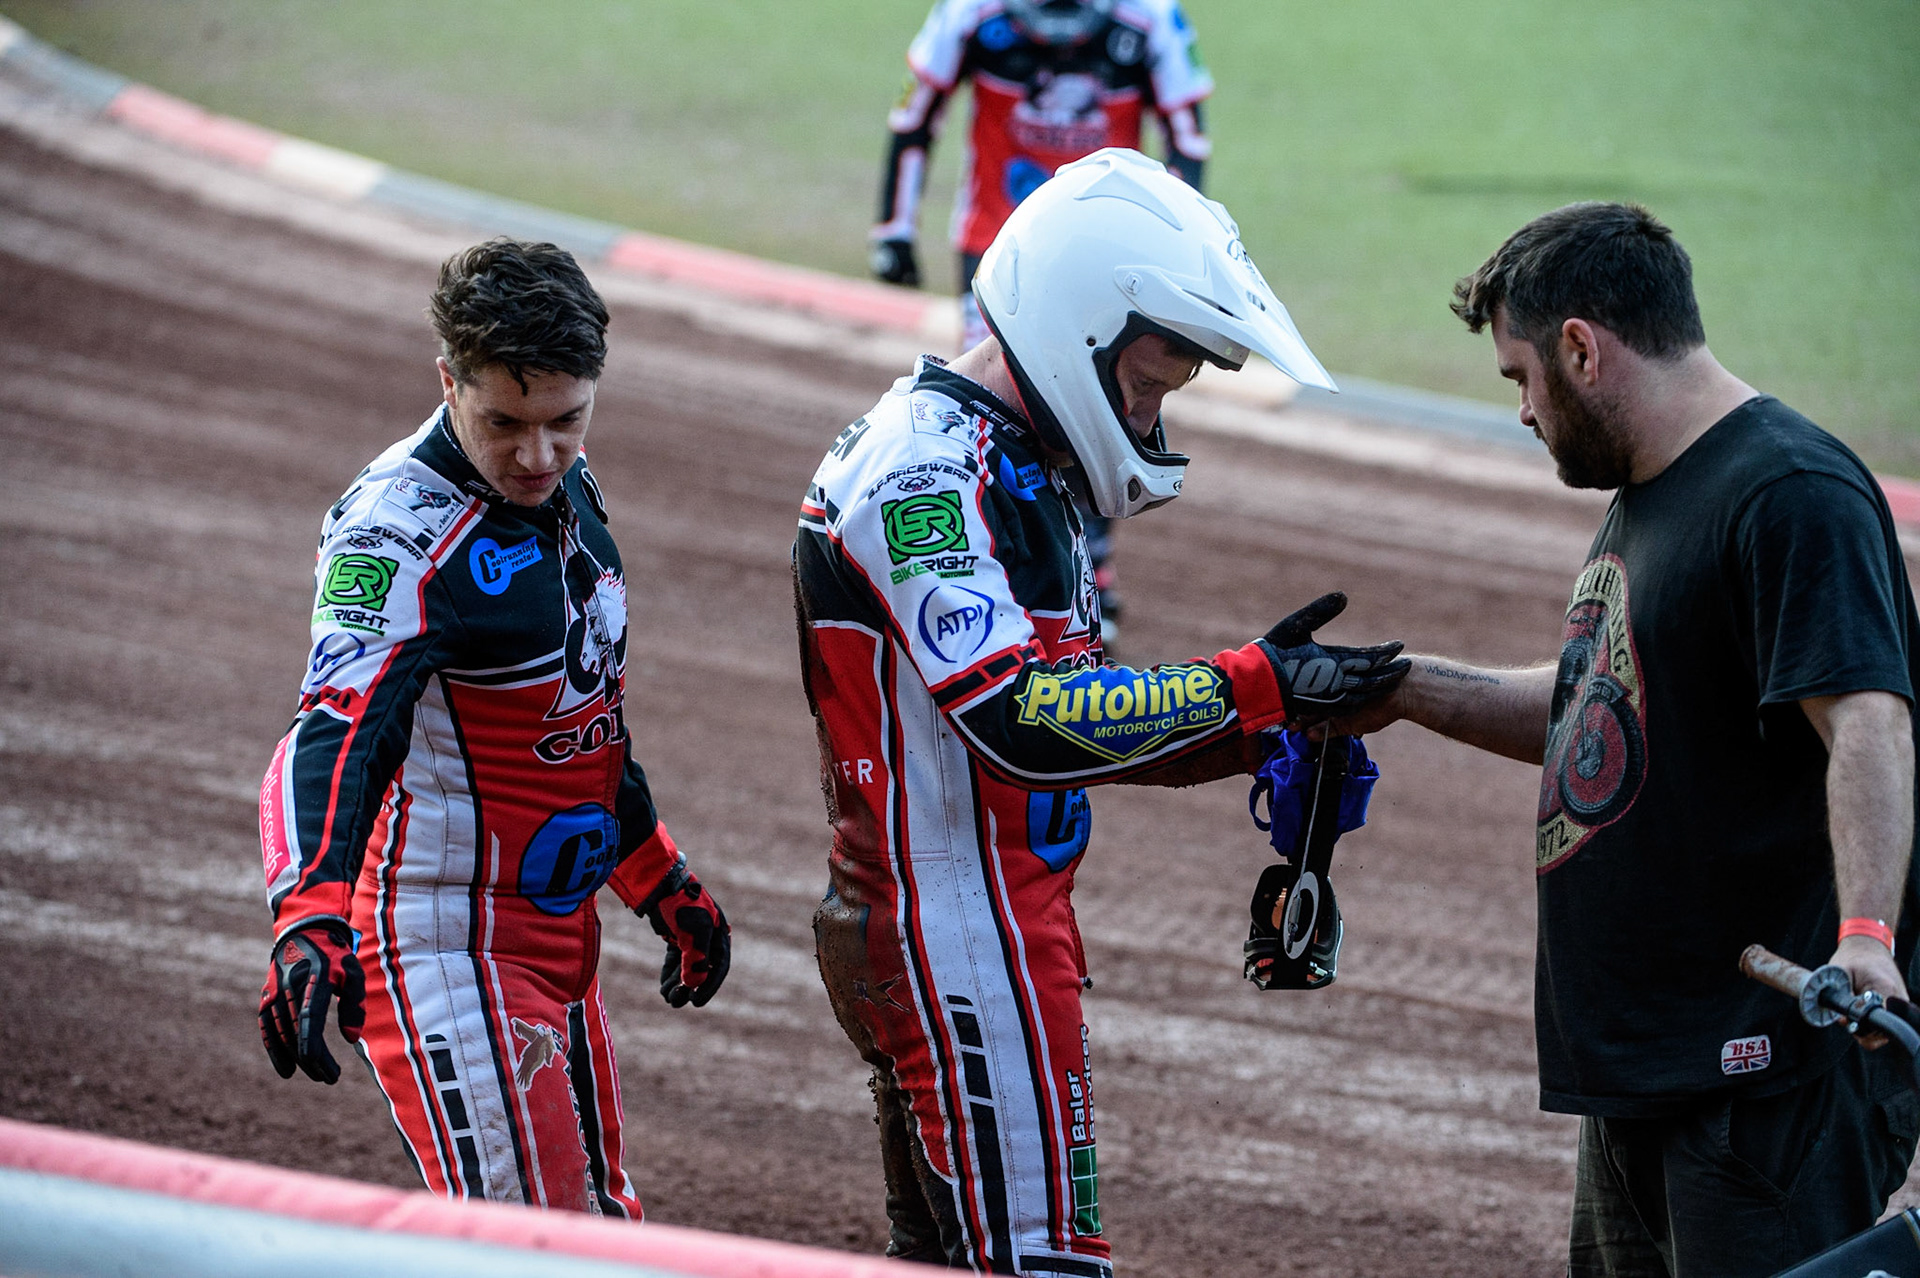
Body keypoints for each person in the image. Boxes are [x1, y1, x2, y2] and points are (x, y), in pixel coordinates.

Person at [796, 148, 1409, 1274]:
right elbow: (1021, 722)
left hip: (963, 926)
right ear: (1085, 320)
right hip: (964, 944)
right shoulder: (926, 475)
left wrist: (1263, 729)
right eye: (1155, 370)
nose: (1155, 401)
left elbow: (1066, 730)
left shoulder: (1008, 463)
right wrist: (1251, 684)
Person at [1323, 202, 1920, 1276]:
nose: (1520, 411)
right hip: (1654, 1067)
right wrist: (1406, 686)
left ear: (1582, 348)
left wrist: (1868, 936)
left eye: (1519, 377)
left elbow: (1870, 717)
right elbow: (1602, 707)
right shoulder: (1659, 493)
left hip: (1766, 1072)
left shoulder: (1788, 493)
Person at [256, 238, 730, 1216]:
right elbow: (334, 731)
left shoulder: (570, 491)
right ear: (448, 380)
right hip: (447, 943)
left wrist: (655, 873)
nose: (538, 455)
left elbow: (582, 718)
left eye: (567, 421)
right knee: (539, 1246)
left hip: (557, 934)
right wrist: (307, 912)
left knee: (601, 1226)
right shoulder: (395, 534)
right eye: (505, 422)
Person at [869, 0, 1215, 643]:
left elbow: (1187, 139)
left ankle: (1090, 571)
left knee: (1107, 401)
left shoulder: (1152, 19)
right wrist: (894, 227)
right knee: (999, 406)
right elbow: (915, 113)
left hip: (1111, 260)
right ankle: (1000, 554)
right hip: (997, 251)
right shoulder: (971, 13)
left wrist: (1177, 251)